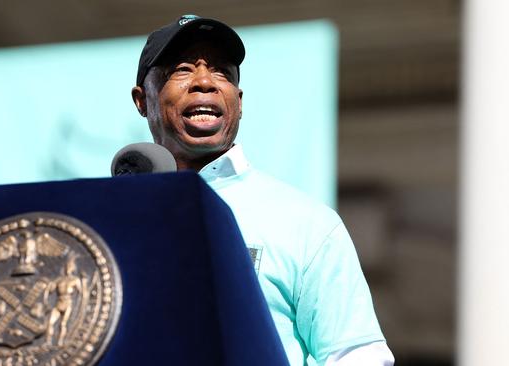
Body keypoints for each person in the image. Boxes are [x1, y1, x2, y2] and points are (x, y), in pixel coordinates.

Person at [131, 15, 395, 365]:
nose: (205, 82)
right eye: (182, 69)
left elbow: (359, 356)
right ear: (142, 100)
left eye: (222, 71)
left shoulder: (309, 224)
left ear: (238, 101)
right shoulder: (112, 216)